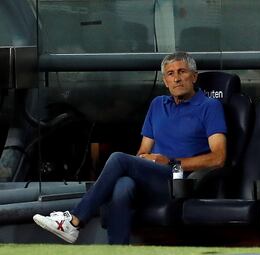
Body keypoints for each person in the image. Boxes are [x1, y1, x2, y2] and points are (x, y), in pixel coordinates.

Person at [33, 52, 227, 244]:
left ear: (194, 76)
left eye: (182, 71)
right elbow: (143, 152)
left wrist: (171, 162)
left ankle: (74, 221)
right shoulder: (158, 105)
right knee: (122, 185)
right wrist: (147, 160)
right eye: (170, 74)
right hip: (155, 177)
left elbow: (218, 158)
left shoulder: (209, 107)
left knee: (118, 158)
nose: (176, 78)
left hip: (181, 181)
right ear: (165, 81)